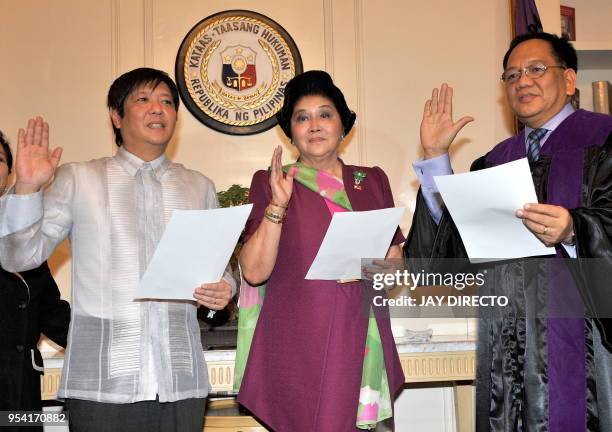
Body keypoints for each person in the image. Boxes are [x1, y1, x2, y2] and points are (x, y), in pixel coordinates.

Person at [0, 68, 235, 432]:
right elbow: (18, 257)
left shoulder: (198, 186)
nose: (158, 109)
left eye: (167, 102)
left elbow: (219, 269)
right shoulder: (79, 178)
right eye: (143, 100)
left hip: (181, 381)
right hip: (103, 386)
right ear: (116, 115)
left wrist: (225, 288)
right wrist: (28, 188)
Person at [405, 32, 612, 430]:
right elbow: (445, 260)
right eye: (512, 75)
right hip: (508, 347)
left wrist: (575, 231)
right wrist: (434, 159)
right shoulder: (495, 161)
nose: (522, 81)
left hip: (586, 344)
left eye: (536, 69)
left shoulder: (603, 140)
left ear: (569, 80)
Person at [236, 70, 405, 431]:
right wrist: (278, 205)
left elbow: (394, 267)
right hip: (302, 345)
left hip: (362, 338)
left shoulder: (371, 180)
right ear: (291, 131)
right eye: (302, 117)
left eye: (325, 114)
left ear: (343, 125)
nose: (314, 124)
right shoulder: (270, 182)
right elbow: (253, 272)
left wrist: (383, 270)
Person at [0, 131, 70, 432]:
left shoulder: (25, 237)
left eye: (0, 159)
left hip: (18, 401)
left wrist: (111, 339)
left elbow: (53, 315)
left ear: (9, 172)